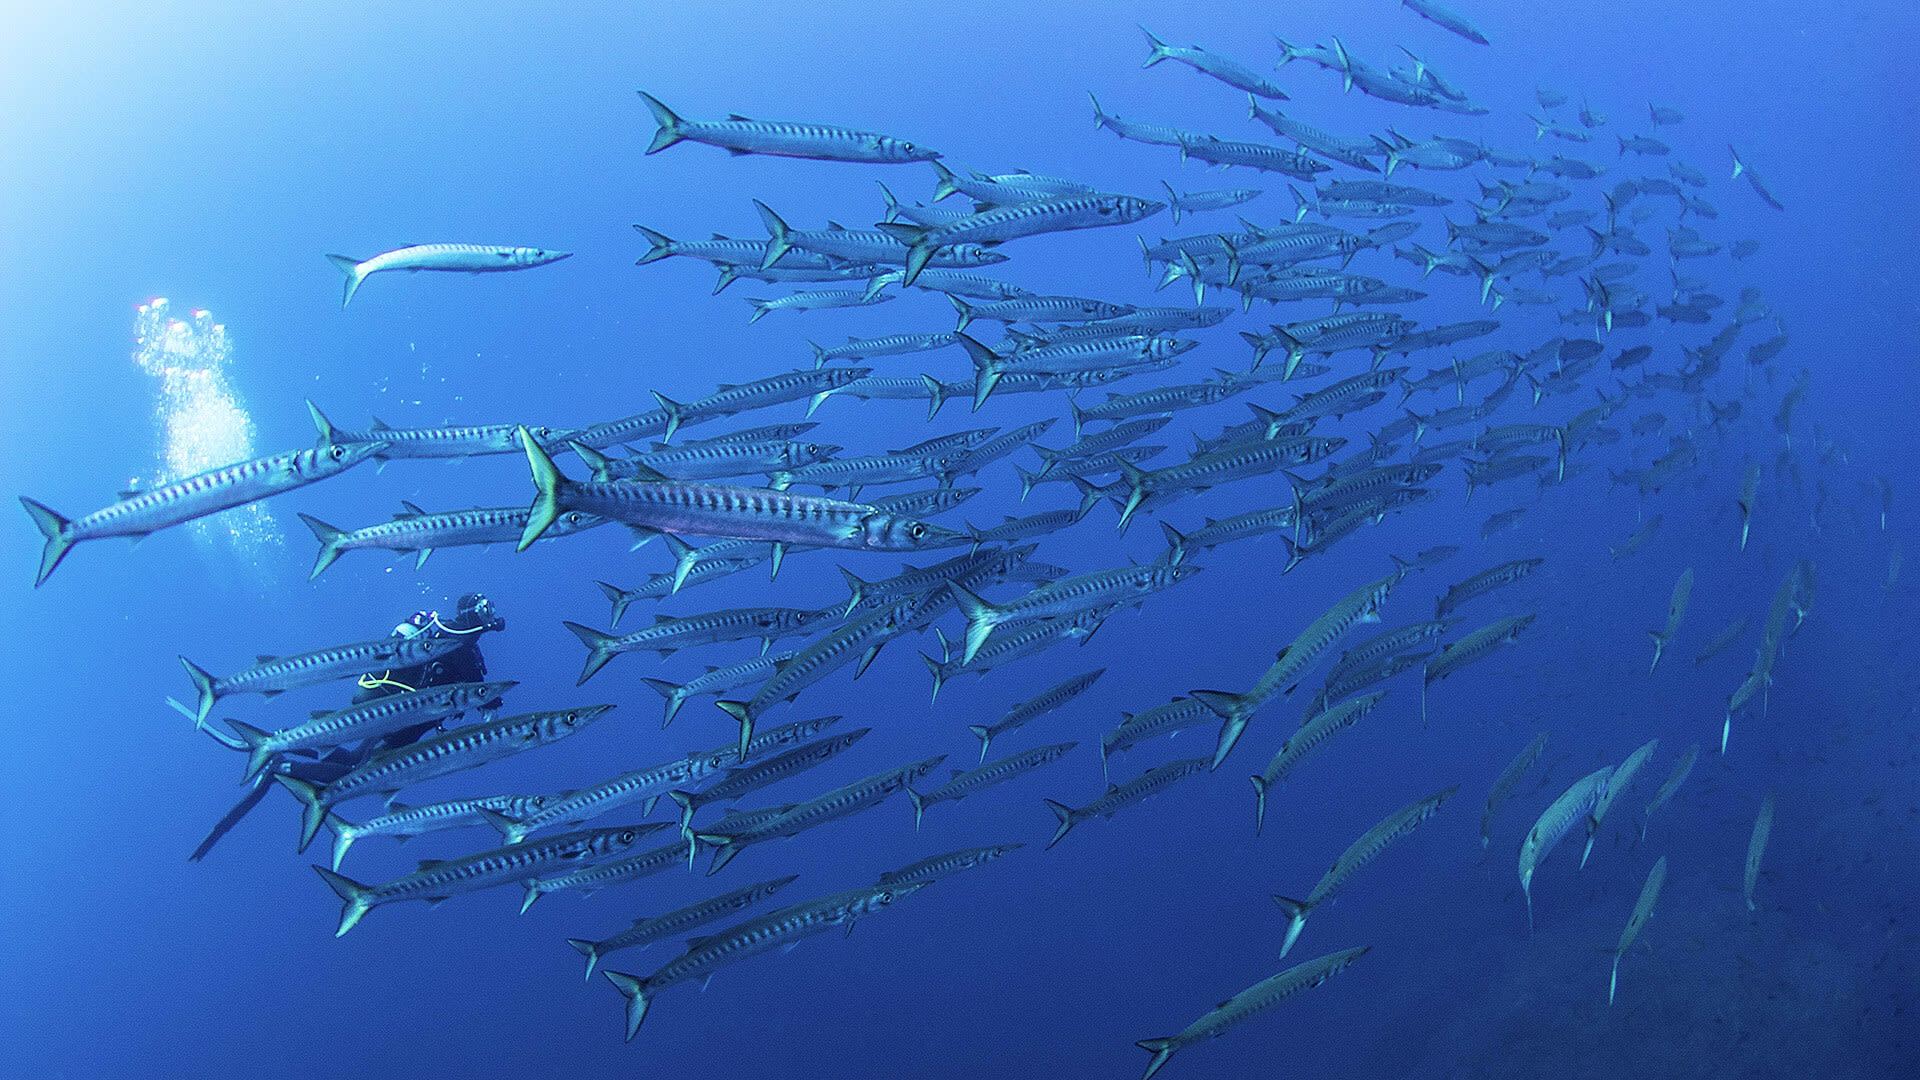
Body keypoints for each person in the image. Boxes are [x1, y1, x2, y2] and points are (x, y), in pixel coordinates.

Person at [351, 592, 506, 707]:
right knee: (390, 744)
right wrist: (490, 702)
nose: (491, 614)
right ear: (472, 612)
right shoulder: (458, 640)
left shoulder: (458, 637)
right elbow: (472, 679)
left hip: (413, 703)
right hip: (411, 704)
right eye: (486, 608)